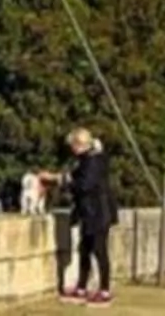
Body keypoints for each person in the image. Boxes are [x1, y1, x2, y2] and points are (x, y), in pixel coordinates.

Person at [64, 127, 116, 305]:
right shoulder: (88, 159)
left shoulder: (93, 161)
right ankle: (81, 287)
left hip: (98, 213)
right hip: (90, 213)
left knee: (99, 251)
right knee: (85, 249)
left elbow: (85, 185)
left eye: (72, 145)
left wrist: (68, 182)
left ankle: (105, 291)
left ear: (78, 144)